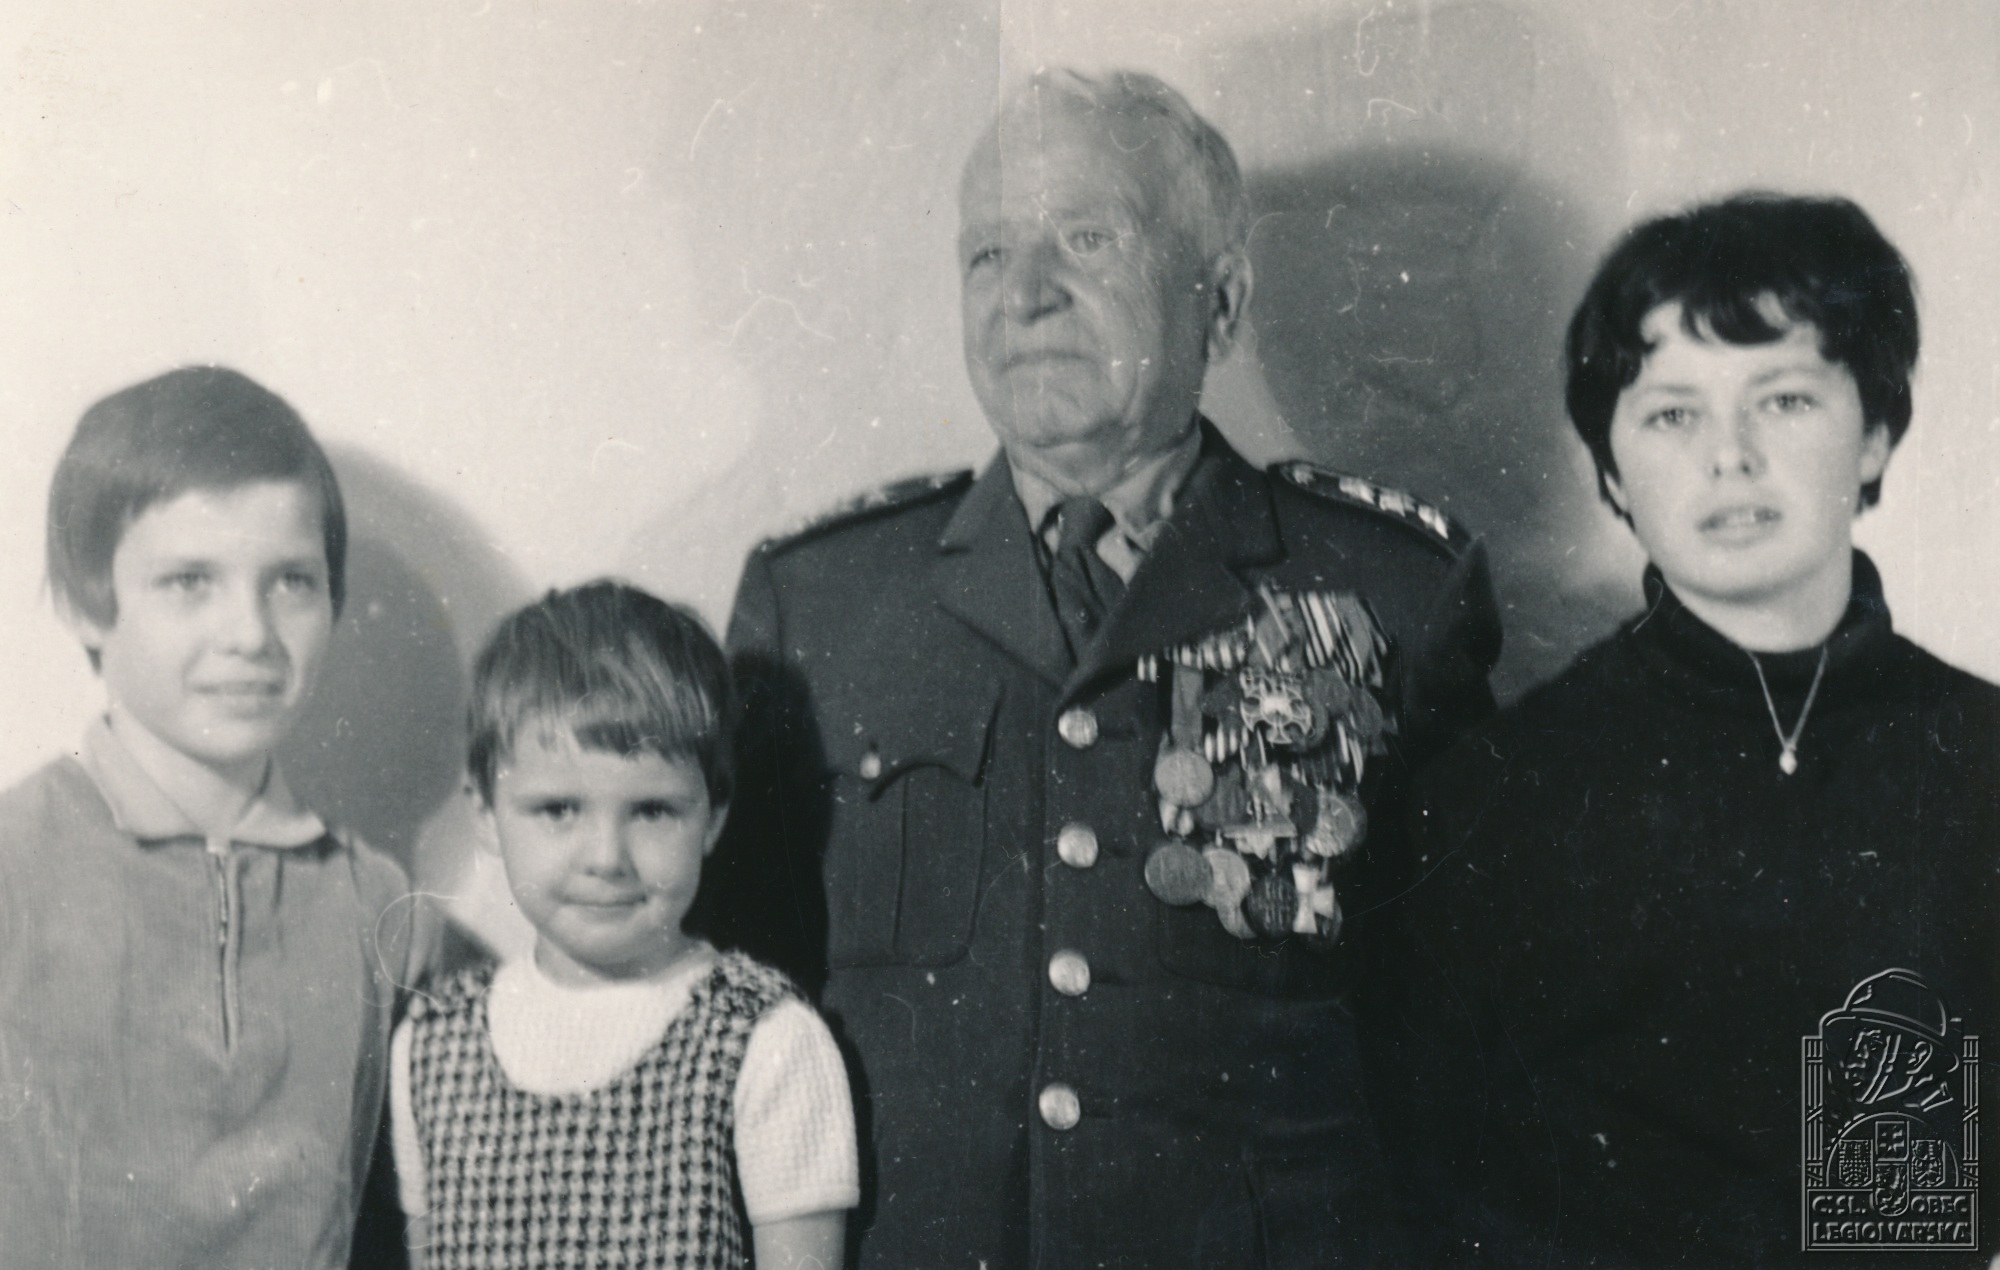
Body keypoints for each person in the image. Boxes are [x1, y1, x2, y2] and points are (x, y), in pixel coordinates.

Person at [719, 68, 1501, 1266]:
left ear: (1220, 304)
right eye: (987, 254)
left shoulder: (1394, 593)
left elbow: (1467, 1049)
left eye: (1086, 239)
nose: (1024, 294)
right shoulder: (818, 601)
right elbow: (726, 1017)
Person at [1371, 194, 2000, 1264]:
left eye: (1784, 399)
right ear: (1612, 473)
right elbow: (1429, 1193)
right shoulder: (1491, 796)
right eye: (1671, 414)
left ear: (1874, 433)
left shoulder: (1980, 758)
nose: (1729, 456)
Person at [0, 366, 420, 1268]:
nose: (250, 635)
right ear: (84, 603)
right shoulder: (13, 866)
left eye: (291, 582)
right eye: (190, 580)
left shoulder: (377, 903)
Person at [389, 581, 858, 1270]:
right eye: (558, 810)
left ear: (713, 816)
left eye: (652, 811)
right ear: (485, 811)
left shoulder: (765, 1039)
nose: (607, 859)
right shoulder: (433, 1047)